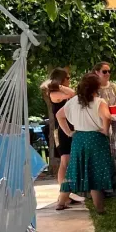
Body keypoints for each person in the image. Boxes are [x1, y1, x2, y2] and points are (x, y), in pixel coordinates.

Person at [56, 72, 115, 213]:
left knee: (73, 171)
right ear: (97, 87)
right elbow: (107, 117)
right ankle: (100, 208)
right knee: (95, 173)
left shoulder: (74, 101)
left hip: (79, 139)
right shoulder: (99, 102)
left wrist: (69, 132)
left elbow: (59, 115)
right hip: (96, 139)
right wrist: (105, 131)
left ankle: (61, 202)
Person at [45, 68, 75, 201]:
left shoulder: (60, 90)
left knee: (69, 160)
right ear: (61, 79)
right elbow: (73, 94)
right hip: (61, 130)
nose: (70, 80)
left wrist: (60, 85)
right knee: (65, 160)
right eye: (67, 78)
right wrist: (59, 86)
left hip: (69, 127)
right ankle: (63, 192)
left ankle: (70, 191)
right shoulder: (54, 93)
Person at [94, 61, 116, 198]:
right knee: (101, 154)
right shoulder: (93, 88)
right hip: (99, 124)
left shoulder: (114, 87)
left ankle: (112, 188)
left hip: (113, 123)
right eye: (104, 71)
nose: (107, 74)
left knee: (114, 155)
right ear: (97, 72)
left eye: (109, 71)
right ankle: (101, 188)